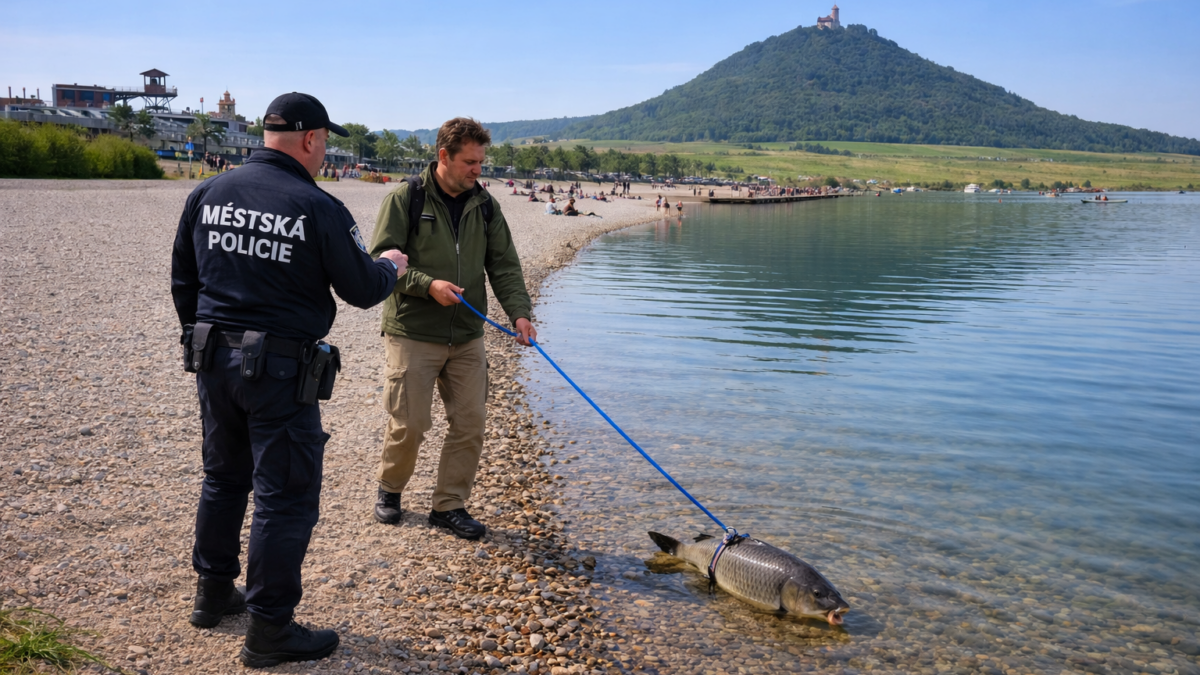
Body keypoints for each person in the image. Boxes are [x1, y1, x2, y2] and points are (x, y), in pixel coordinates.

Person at [170, 92, 409, 668]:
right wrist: (393, 266)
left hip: (213, 357)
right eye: (325, 144)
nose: (324, 154)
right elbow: (361, 289)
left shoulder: (209, 192)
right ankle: (270, 629)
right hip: (279, 369)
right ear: (310, 139)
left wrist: (203, 342)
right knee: (285, 498)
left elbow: (184, 279)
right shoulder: (316, 206)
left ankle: (212, 595)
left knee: (224, 479)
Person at [369, 117, 536, 540]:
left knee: (471, 423)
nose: (479, 170)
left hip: (467, 336)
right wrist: (428, 286)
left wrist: (519, 313)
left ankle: (448, 506)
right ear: (444, 156)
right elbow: (377, 264)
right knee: (411, 422)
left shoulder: (486, 205)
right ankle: (390, 490)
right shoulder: (405, 198)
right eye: (470, 162)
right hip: (413, 332)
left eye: (481, 161)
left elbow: (504, 265)